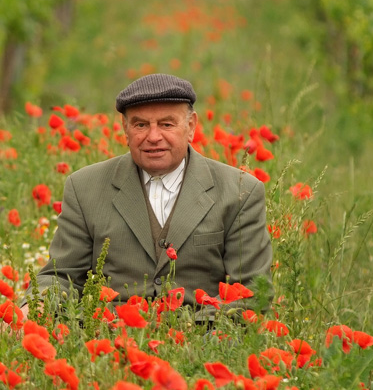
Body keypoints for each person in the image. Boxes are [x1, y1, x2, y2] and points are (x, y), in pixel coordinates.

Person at [28, 73, 273, 316]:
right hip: (108, 341)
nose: (153, 137)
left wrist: (192, 333)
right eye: (140, 125)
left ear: (191, 126)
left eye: (166, 124)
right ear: (125, 128)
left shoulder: (240, 192)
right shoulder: (85, 188)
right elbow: (61, 275)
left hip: (204, 341)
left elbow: (252, 291)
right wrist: (33, 308)